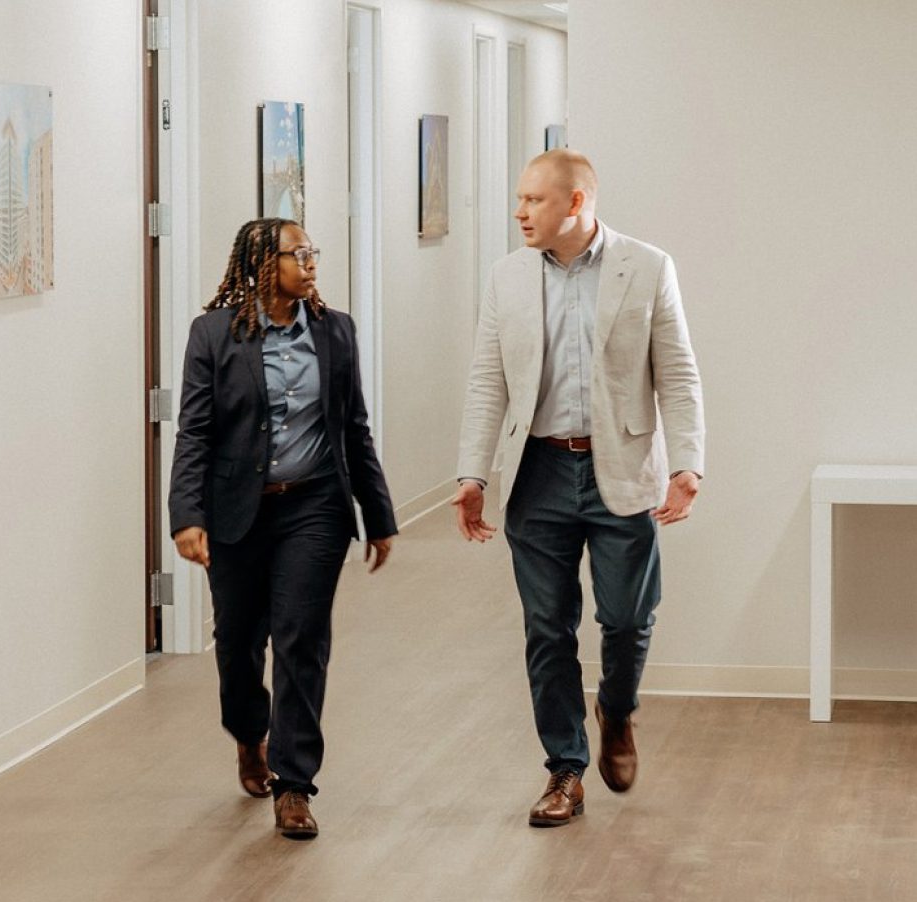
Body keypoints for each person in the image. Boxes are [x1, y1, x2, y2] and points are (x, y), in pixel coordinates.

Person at [452, 149, 705, 827]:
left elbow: (676, 372)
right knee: (546, 628)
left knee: (626, 619)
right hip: (536, 474)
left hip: (622, 472)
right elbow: (488, 381)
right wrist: (473, 473)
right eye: (520, 199)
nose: (519, 212)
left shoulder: (647, 267)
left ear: (577, 202)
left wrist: (688, 462)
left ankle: (616, 710)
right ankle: (564, 769)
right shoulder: (506, 277)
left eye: (534, 200)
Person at [170, 217, 397, 840]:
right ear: (263, 264)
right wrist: (186, 516)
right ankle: (250, 732)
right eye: (299, 254)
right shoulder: (214, 334)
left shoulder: (334, 331)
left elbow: (354, 428)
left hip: (315, 506)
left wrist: (377, 516)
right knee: (238, 640)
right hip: (237, 509)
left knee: (301, 638)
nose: (312, 262)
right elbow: (194, 432)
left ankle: (294, 784)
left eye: (312, 252)